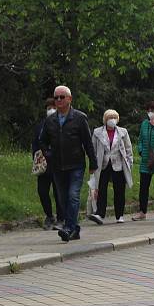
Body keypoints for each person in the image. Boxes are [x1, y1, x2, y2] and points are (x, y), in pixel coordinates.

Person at [39, 85, 98, 242]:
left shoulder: (79, 118)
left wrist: (93, 163)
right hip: (57, 166)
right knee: (63, 198)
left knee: (73, 196)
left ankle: (68, 228)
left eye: (62, 97)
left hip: (76, 164)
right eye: (56, 97)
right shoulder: (50, 120)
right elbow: (42, 141)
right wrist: (48, 154)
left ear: (69, 99)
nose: (58, 100)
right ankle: (75, 229)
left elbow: (87, 142)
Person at [87, 110, 133, 224]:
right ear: (105, 119)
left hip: (118, 164)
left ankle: (120, 215)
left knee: (119, 190)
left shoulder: (123, 132)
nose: (111, 120)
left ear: (117, 119)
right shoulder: (97, 132)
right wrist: (93, 163)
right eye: (109, 117)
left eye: (114, 117)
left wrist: (129, 163)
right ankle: (100, 214)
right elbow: (92, 149)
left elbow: (128, 148)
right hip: (103, 164)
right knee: (101, 189)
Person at [32, 98, 64, 230]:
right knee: (42, 191)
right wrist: (36, 158)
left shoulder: (62, 123)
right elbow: (35, 143)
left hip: (58, 163)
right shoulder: (40, 126)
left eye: (53, 107)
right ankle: (49, 215)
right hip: (44, 164)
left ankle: (61, 217)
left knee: (59, 192)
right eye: (48, 108)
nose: (51, 110)